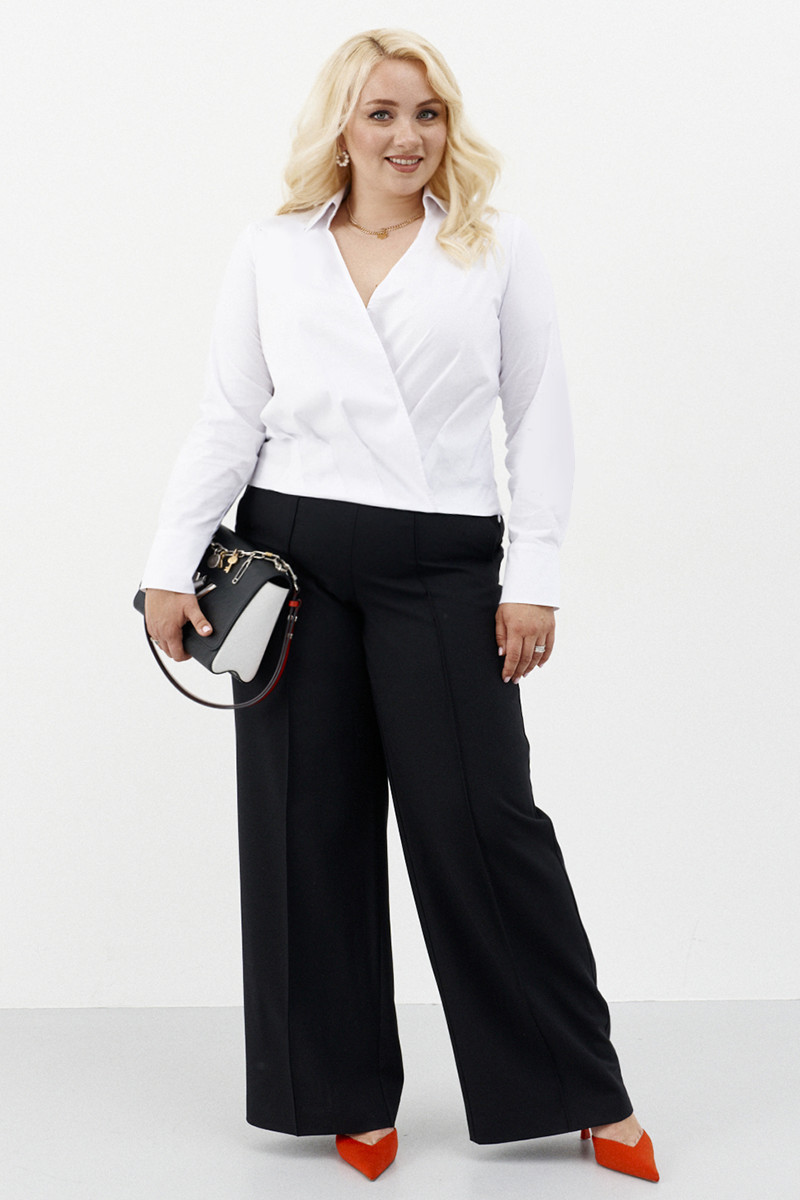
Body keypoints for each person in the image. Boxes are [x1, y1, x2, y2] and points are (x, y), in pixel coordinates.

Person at [140, 28, 659, 1185]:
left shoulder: (492, 246)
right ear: (341, 126)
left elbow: (538, 413)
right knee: (304, 826)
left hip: (442, 560)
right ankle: (338, 1093)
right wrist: (170, 565)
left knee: (481, 822)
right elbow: (227, 414)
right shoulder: (273, 250)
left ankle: (576, 1088)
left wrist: (531, 578)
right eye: (380, 113)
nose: (405, 136)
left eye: (425, 114)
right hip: (290, 556)